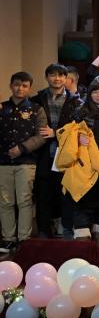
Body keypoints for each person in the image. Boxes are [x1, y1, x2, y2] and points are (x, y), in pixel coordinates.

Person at [0, 72, 50, 252]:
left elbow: (42, 136)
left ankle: (24, 239)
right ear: (10, 85)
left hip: (26, 161)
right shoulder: (2, 107)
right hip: (3, 161)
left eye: (24, 85)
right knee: (5, 202)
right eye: (16, 85)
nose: (20, 88)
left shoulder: (37, 109)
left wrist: (22, 148)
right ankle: (8, 238)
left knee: (24, 200)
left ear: (29, 88)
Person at [67, 78, 99, 244]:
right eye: (95, 92)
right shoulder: (81, 112)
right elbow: (66, 133)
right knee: (83, 196)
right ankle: (82, 233)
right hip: (85, 162)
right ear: (90, 94)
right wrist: (77, 137)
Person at [33, 63, 79, 236]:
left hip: (66, 152)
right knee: (43, 193)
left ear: (66, 78)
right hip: (43, 152)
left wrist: (56, 133)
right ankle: (44, 230)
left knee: (65, 192)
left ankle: (65, 227)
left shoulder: (75, 101)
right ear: (46, 77)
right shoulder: (37, 100)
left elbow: (76, 127)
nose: (57, 78)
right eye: (52, 75)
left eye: (61, 75)